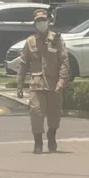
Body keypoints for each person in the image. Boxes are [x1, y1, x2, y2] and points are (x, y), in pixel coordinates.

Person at [16, 9, 70, 154]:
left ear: (48, 22)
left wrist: (62, 81)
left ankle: (51, 136)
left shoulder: (57, 40)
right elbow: (23, 64)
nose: (41, 23)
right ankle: (38, 142)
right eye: (38, 21)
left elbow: (64, 61)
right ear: (35, 24)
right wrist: (20, 85)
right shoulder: (30, 42)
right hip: (36, 83)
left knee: (54, 114)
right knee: (36, 112)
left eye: (43, 20)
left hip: (54, 84)